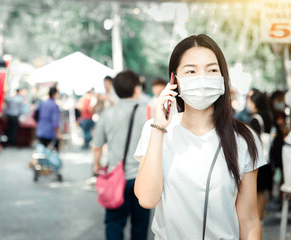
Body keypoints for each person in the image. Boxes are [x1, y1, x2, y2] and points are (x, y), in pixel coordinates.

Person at [134, 34, 265, 239]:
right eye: (191, 71)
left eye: (212, 69)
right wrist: (159, 126)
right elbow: (147, 199)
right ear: (174, 79)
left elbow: (249, 220)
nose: (202, 78)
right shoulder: (155, 129)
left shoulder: (244, 138)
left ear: (223, 77)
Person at [93, 70, 150, 240]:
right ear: (136, 89)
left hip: (115, 177)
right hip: (143, 178)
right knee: (140, 225)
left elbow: (97, 146)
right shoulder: (149, 112)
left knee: (114, 222)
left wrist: (96, 166)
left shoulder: (107, 114)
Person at [247, 90, 274, 220]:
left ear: (254, 103)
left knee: (256, 191)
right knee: (261, 191)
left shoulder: (255, 119)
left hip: (258, 158)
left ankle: (258, 217)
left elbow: (253, 140)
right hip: (267, 158)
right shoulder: (267, 115)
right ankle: (261, 215)